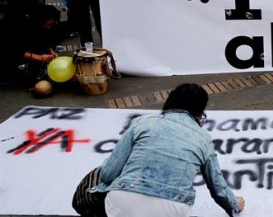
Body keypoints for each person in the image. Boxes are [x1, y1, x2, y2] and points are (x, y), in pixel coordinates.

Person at [90, 83, 246, 217]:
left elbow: (108, 173)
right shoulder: (204, 138)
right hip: (172, 209)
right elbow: (217, 186)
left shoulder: (142, 123)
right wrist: (235, 205)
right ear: (200, 112)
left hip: (122, 203)